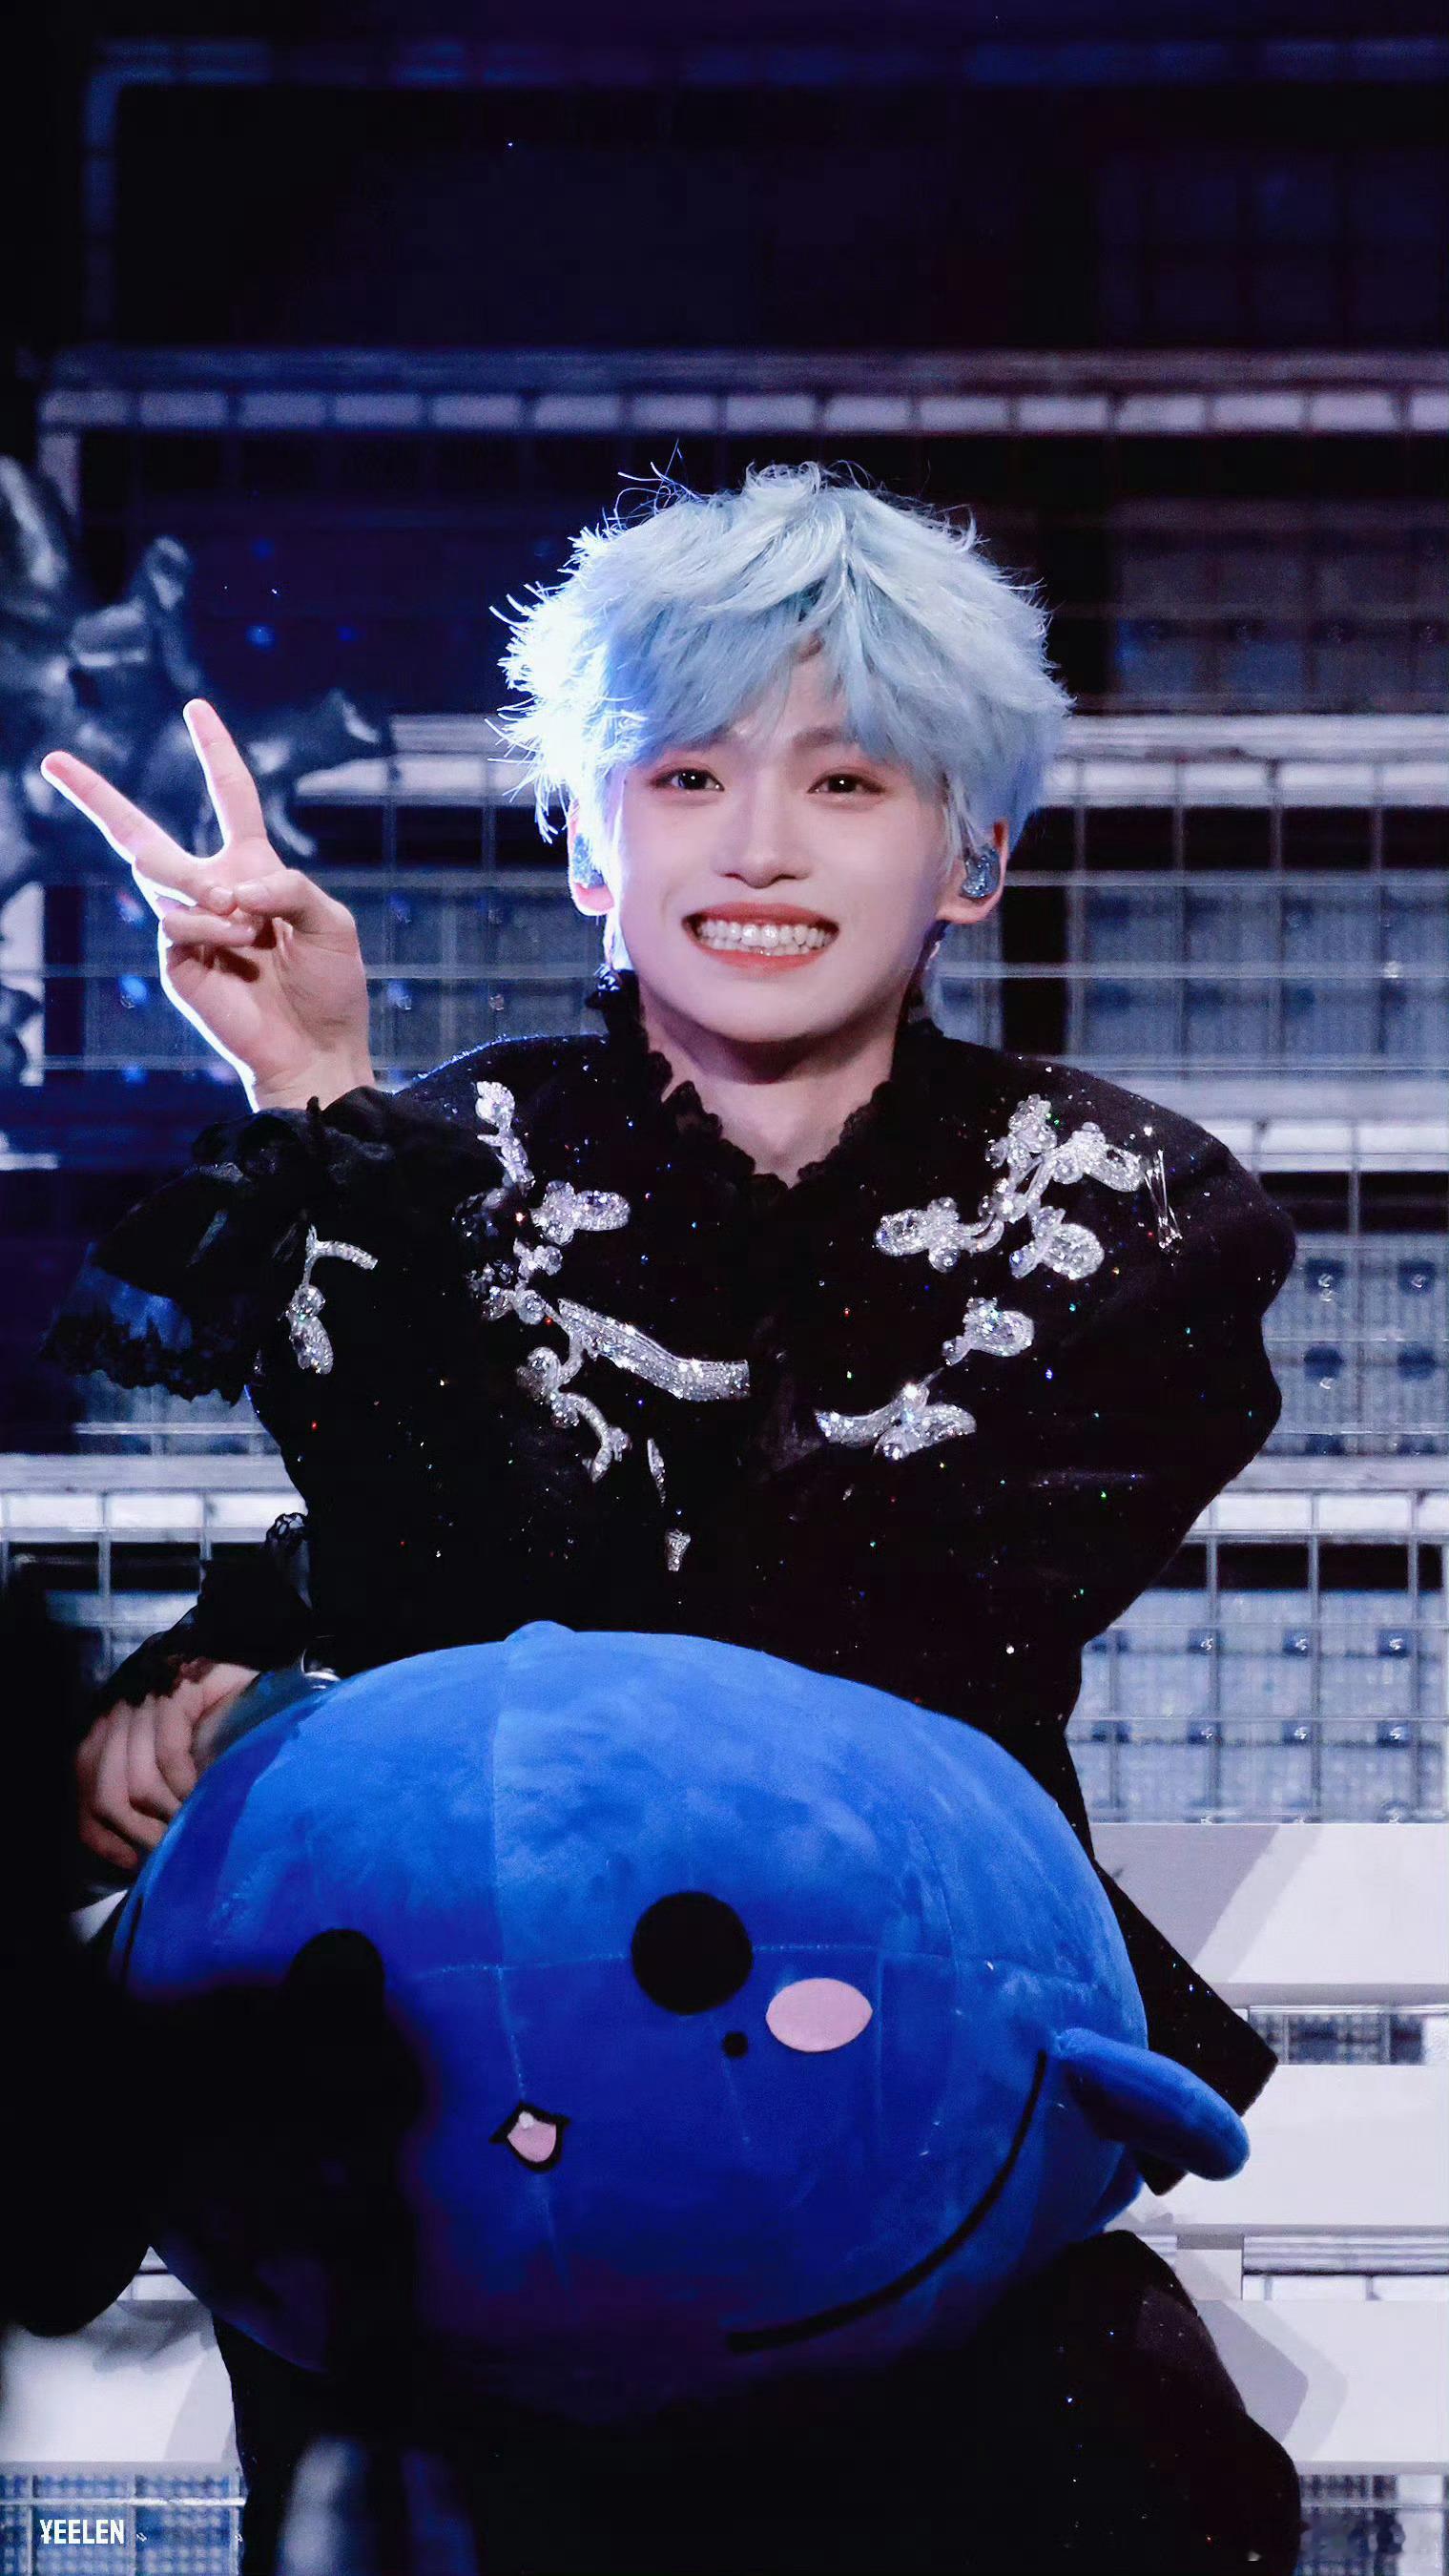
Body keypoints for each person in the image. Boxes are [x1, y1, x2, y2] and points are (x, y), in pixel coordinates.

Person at [40, 463, 1303, 2573]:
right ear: (582, 842)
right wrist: (316, 1105)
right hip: (469, 2123)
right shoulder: (439, 1149)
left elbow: (802, 1653)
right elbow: (435, 1606)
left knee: (1111, 2468)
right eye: (687, 774)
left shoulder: (1137, 1215)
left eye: (849, 780)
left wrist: (306, 1649)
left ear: (972, 856)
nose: (759, 843)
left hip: (891, 2083)